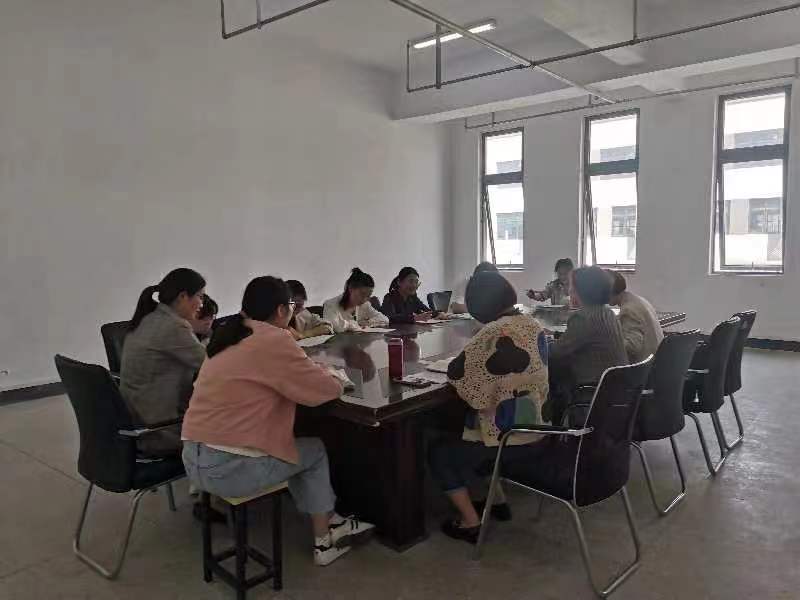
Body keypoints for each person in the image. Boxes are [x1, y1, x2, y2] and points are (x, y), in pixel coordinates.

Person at [181, 276, 375, 567]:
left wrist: (312, 370)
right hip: (228, 469)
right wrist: (335, 377)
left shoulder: (230, 334)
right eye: (292, 306)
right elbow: (320, 391)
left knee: (295, 446)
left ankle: (331, 518)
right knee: (314, 451)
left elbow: (288, 373)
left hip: (192, 461)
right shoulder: (273, 339)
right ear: (283, 310)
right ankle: (324, 541)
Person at [428, 271, 550, 544]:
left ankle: (470, 522)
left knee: (440, 451)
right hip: (536, 424)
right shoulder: (532, 324)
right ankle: (497, 501)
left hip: (510, 436)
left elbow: (458, 373)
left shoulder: (493, 332)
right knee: (467, 431)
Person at [120, 268, 207, 457]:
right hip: (161, 431)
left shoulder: (150, 319)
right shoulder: (173, 326)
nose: (202, 304)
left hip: (137, 425)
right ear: (183, 296)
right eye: (200, 297)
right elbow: (213, 366)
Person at [547, 266, 628, 425]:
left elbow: (554, 353)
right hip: (615, 393)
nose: (569, 291)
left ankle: (553, 432)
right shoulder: (608, 313)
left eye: (572, 287)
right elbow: (582, 340)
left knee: (553, 376)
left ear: (582, 291)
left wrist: (539, 341)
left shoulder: (583, 318)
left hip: (592, 394)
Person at [607, 270, 664, 363]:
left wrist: (608, 342)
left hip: (645, 367)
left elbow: (632, 346)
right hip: (657, 361)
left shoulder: (628, 310)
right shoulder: (638, 300)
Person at [323, 268, 389, 333]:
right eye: (362, 294)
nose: (365, 299)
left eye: (368, 296)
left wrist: (368, 322)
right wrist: (356, 325)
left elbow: (384, 319)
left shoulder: (365, 305)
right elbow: (335, 327)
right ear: (350, 288)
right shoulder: (330, 305)